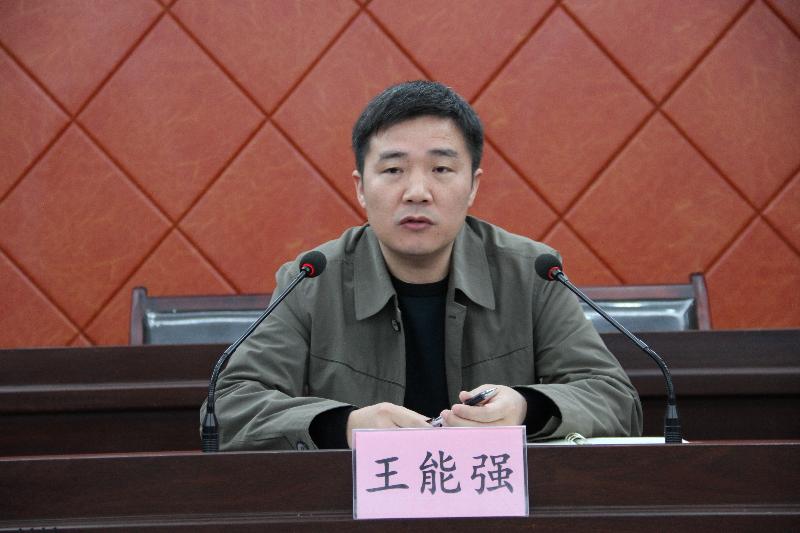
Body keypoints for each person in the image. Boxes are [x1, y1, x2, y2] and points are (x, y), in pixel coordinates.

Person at [201, 80, 642, 451]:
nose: (417, 191)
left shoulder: (532, 273)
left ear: (473, 186)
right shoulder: (312, 279)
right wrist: (345, 426)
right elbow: (228, 406)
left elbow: (616, 400)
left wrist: (528, 408)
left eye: (441, 169)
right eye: (393, 170)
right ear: (360, 187)